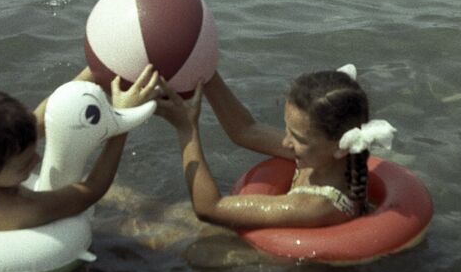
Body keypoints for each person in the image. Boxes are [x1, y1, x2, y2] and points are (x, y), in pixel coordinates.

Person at [156, 66, 395, 230]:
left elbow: (209, 208)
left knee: (145, 220)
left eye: (297, 137)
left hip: (259, 261)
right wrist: (205, 71)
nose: (284, 142)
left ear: (340, 147)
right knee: (148, 208)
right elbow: (245, 130)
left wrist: (187, 129)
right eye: (287, 130)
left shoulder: (318, 205)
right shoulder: (324, 157)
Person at [0, 65, 158, 231]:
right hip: (22, 271)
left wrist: (95, 69)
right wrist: (120, 122)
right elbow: (92, 190)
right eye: (24, 165)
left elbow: (43, 118)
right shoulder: (19, 209)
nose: (37, 160)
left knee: (121, 195)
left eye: (32, 153)